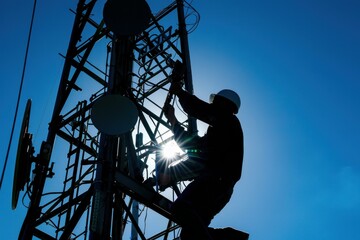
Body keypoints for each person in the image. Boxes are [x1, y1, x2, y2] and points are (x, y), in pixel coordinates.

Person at [161, 82, 249, 240]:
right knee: (191, 234)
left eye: (216, 104)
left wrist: (180, 93)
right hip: (221, 189)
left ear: (223, 104)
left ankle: (230, 237)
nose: (213, 106)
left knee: (181, 208)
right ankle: (231, 238)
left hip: (214, 181)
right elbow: (193, 146)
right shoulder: (218, 135)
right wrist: (173, 121)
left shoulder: (228, 121)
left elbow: (199, 109)